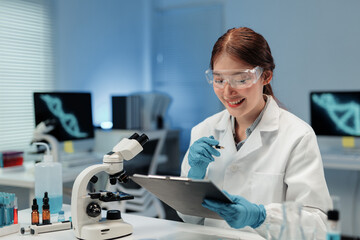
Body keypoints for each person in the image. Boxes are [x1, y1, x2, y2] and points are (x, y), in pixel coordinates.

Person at [178, 27, 332, 239]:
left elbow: (319, 225)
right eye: (219, 79)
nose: (228, 91)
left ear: (266, 76)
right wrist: (193, 181)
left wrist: (261, 217)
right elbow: (189, 218)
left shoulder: (297, 136)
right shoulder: (204, 130)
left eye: (241, 79)